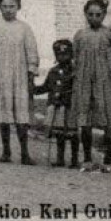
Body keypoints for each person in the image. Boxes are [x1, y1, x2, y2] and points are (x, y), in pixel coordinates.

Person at [71, 0, 111, 171]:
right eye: (90, 14)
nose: (94, 18)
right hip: (85, 82)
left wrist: (106, 70)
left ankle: (108, 161)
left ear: (104, 15)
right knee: (85, 120)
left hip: (107, 82)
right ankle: (87, 159)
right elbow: (76, 56)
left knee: (109, 119)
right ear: (85, 15)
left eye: (98, 14)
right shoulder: (80, 35)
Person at [0, 0, 41, 165]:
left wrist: (31, 77)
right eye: (4, 6)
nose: (8, 9)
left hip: (20, 78)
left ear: (18, 7)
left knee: (21, 115)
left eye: (12, 6)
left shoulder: (25, 28)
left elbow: (32, 53)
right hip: (1, 76)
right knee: (4, 114)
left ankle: (25, 152)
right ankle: (6, 151)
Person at [33, 38, 78, 168]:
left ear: (71, 54)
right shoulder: (53, 72)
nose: (62, 57)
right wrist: (33, 89)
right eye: (59, 55)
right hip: (57, 107)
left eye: (66, 54)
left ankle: (74, 160)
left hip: (70, 107)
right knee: (59, 134)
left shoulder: (76, 72)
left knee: (73, 134)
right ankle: (60, 159)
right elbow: (46, 87)